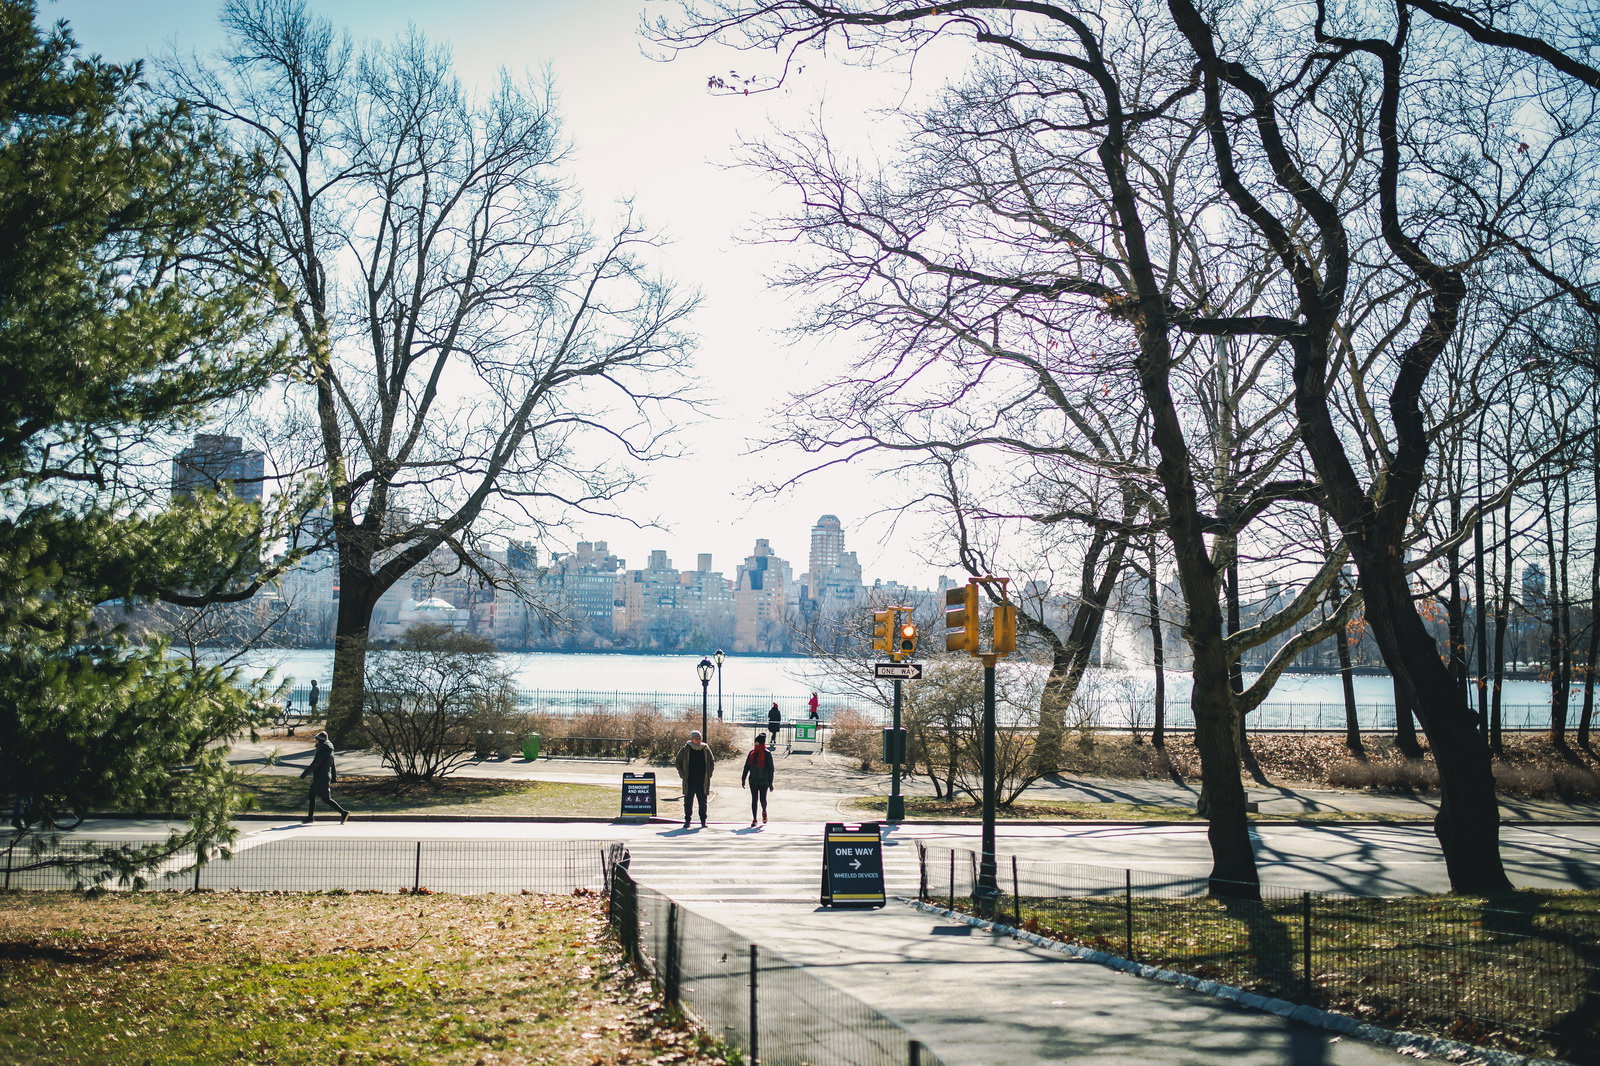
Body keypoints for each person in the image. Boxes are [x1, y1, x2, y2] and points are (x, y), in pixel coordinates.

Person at [300, 731, 349, 824]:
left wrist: (305, 773)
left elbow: (316, 763)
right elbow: (333, 764)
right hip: (325, 776)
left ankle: (311, 818)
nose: (316, 742)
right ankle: (343, 812)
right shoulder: (329, 748)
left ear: (320, 741)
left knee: (315, 796)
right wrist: (334, 777)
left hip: (320, 777)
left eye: (317, 740)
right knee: (322, 798)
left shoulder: (322, 749)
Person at [674, 729, 714, 829]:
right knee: (688, 802)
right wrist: (682, 774)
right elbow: (677, 762)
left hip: (702, 780)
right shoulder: (685, 749)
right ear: (691, 739)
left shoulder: (705, 748)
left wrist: (709, 774)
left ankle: (703, 821)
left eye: (700, 738)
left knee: (703, 802)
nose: (699, 740)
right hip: (689, 780)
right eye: (696, 738)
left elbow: (711, 761)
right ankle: (687, 820)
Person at [740, 732, 775, 827]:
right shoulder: (752, 753)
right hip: (753, 780)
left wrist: (770, 783)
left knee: (762, 800)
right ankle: (754, 819)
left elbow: (771, 769)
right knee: (754, 799)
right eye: (755, 743)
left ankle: (764, 811)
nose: (755, 744)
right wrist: (743, 778)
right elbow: (746, 766)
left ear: (761, 743)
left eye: (757, 743)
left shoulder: (767, 754)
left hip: (764, 780)